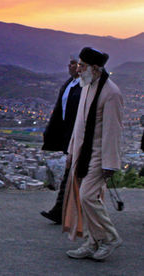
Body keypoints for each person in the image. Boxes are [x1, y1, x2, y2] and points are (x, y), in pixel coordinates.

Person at [62, 47, 123, 261]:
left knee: (88, 196)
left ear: (95, 69)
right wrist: (71, 151)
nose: (78, 70)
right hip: (82, 152)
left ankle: (109, 238)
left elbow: (113, 131)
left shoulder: (111, 93)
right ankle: (90, 241)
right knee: (83, 197)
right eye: (78, 65)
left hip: (99, 154)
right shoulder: (88, 86)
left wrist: (110, 163)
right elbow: (80, 124)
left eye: (82, 66)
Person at [40, 56, 82, 224]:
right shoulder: (69, 83)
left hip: (77, 136)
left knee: (73, 174)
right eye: (70, 62)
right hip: (68, 135)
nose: (70, 66)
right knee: (72, 173)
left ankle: (61, 211)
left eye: (74, 63)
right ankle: (63, 211)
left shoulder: (83, 87)